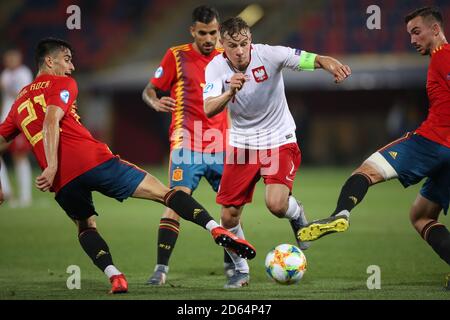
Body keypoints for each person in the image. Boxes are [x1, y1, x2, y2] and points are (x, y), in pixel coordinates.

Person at [0, 37, 256, 294]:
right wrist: (52, 164)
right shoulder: (63, 83)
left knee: (85, 227)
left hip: (63, 183)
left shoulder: (18, 102)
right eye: (67, 60)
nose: (72, 67)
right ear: (49, 60)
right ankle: (216, 230)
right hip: (92, 161)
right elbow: (50, 121)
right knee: (166, 194)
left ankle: (115, 276)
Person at [298, 6, 450, 290]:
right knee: (421, 216)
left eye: (417, 32)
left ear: (436, 29)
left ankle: (341, 214)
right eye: (409, 34)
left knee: (365, 172)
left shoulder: (444, 56)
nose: (412, 40)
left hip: (432, 141)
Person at [203, 17, 351, 288]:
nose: (240, 50)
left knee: (276, 205)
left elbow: (314, 59)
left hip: (278, 139)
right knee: (227, 217)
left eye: (244, 43)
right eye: (233, 45)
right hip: (242, 144)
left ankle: (297, 215)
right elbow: (209, 108)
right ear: (222, 44)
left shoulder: (270, 55)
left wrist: (331, 64)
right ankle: (241, 270)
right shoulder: (214, 68)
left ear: (251, 41)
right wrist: (228, 92)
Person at [142, 5, 231, 286]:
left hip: (221, 141)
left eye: (213, 33)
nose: (208, 38)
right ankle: (160, 269)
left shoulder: (227, 56)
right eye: (203, 33)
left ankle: (233, 266)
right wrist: (154, 101)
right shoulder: (176, 56)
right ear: (192, 30)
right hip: (187, 139)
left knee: (231, 208)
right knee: (176, 199)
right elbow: (149, 89)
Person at [0, 49, 33, 207]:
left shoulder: (23, 73)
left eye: (12, 57)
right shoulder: (5, 74)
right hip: (5, 121)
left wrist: (5, 87)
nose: (10, 60)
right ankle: (6, 192)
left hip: (19, 121)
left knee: (19, 156)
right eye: (7, 58)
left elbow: (22, 95)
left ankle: (25, 197)